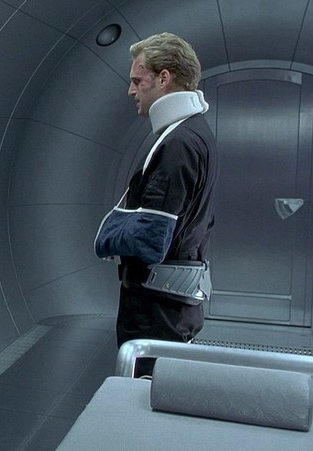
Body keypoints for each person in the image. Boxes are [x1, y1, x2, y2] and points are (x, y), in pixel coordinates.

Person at [94, 32, 217, 353]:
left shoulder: (177, 143)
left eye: (137, 81)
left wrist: (108, 238)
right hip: (173, 304)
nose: (131, 90)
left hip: (155, 309)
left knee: (144, 380)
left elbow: (151, 238)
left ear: (164, 78)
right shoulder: (197, 132)